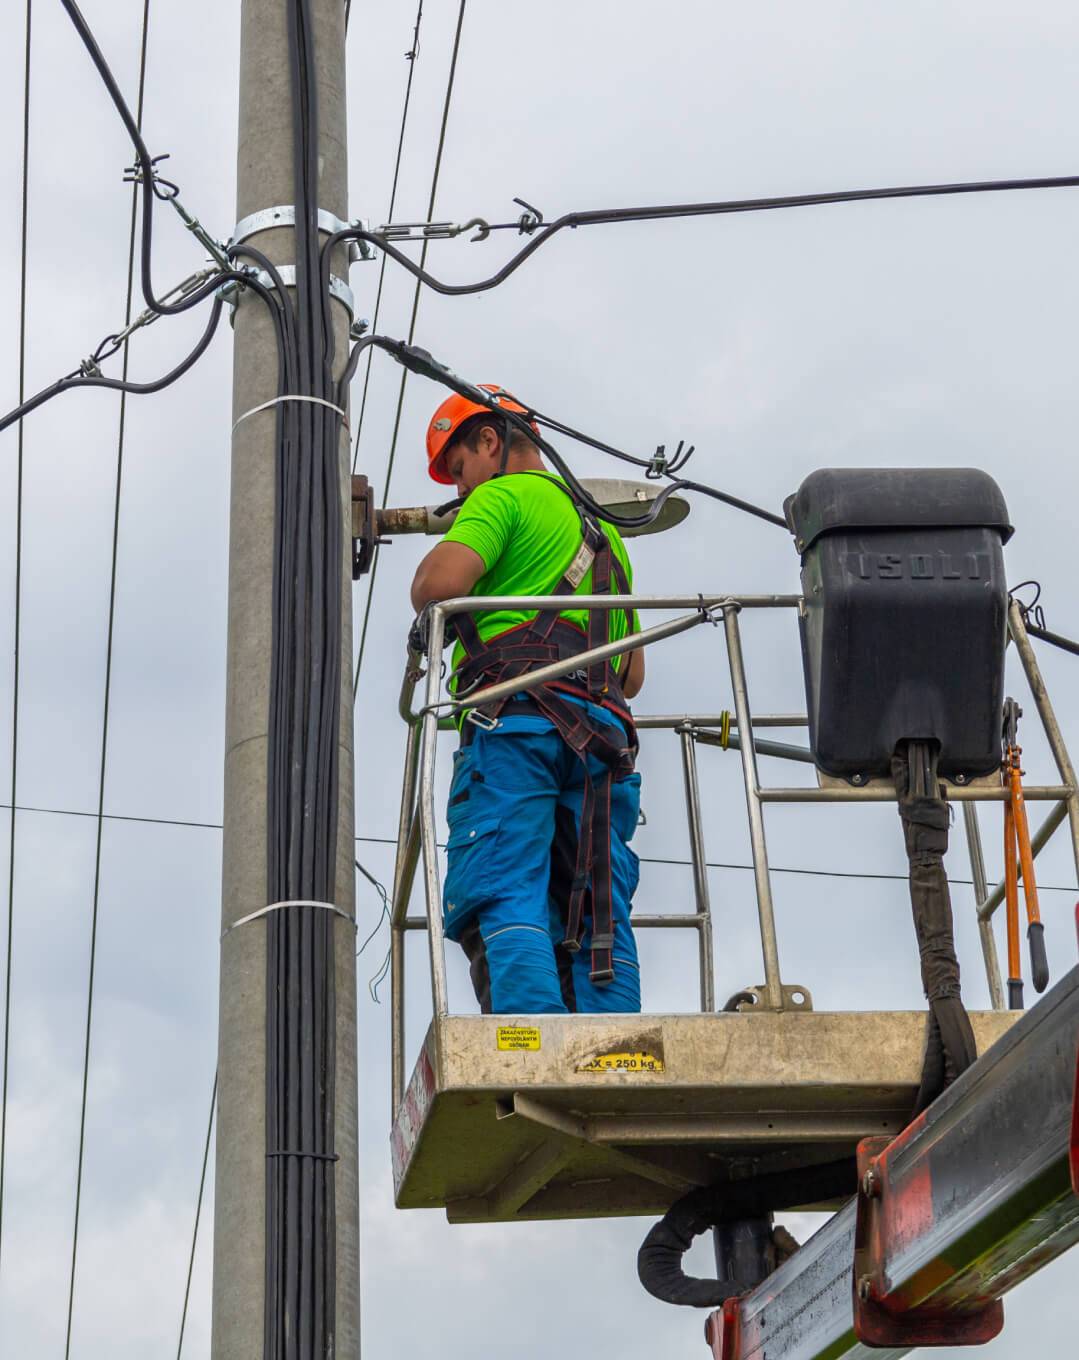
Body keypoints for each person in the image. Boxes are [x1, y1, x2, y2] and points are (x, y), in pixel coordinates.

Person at [410, 385, 645, 1015]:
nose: (459, 491)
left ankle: (532, 1044)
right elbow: (632, 670)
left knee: (506, 883)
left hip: (518, 728)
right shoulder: (604, 534)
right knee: (598, 905)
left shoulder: (500, 497)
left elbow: (436, 586)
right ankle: (611, 1054)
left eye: (459, 470)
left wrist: (467, 528)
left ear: (489, 440)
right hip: (603, 742)